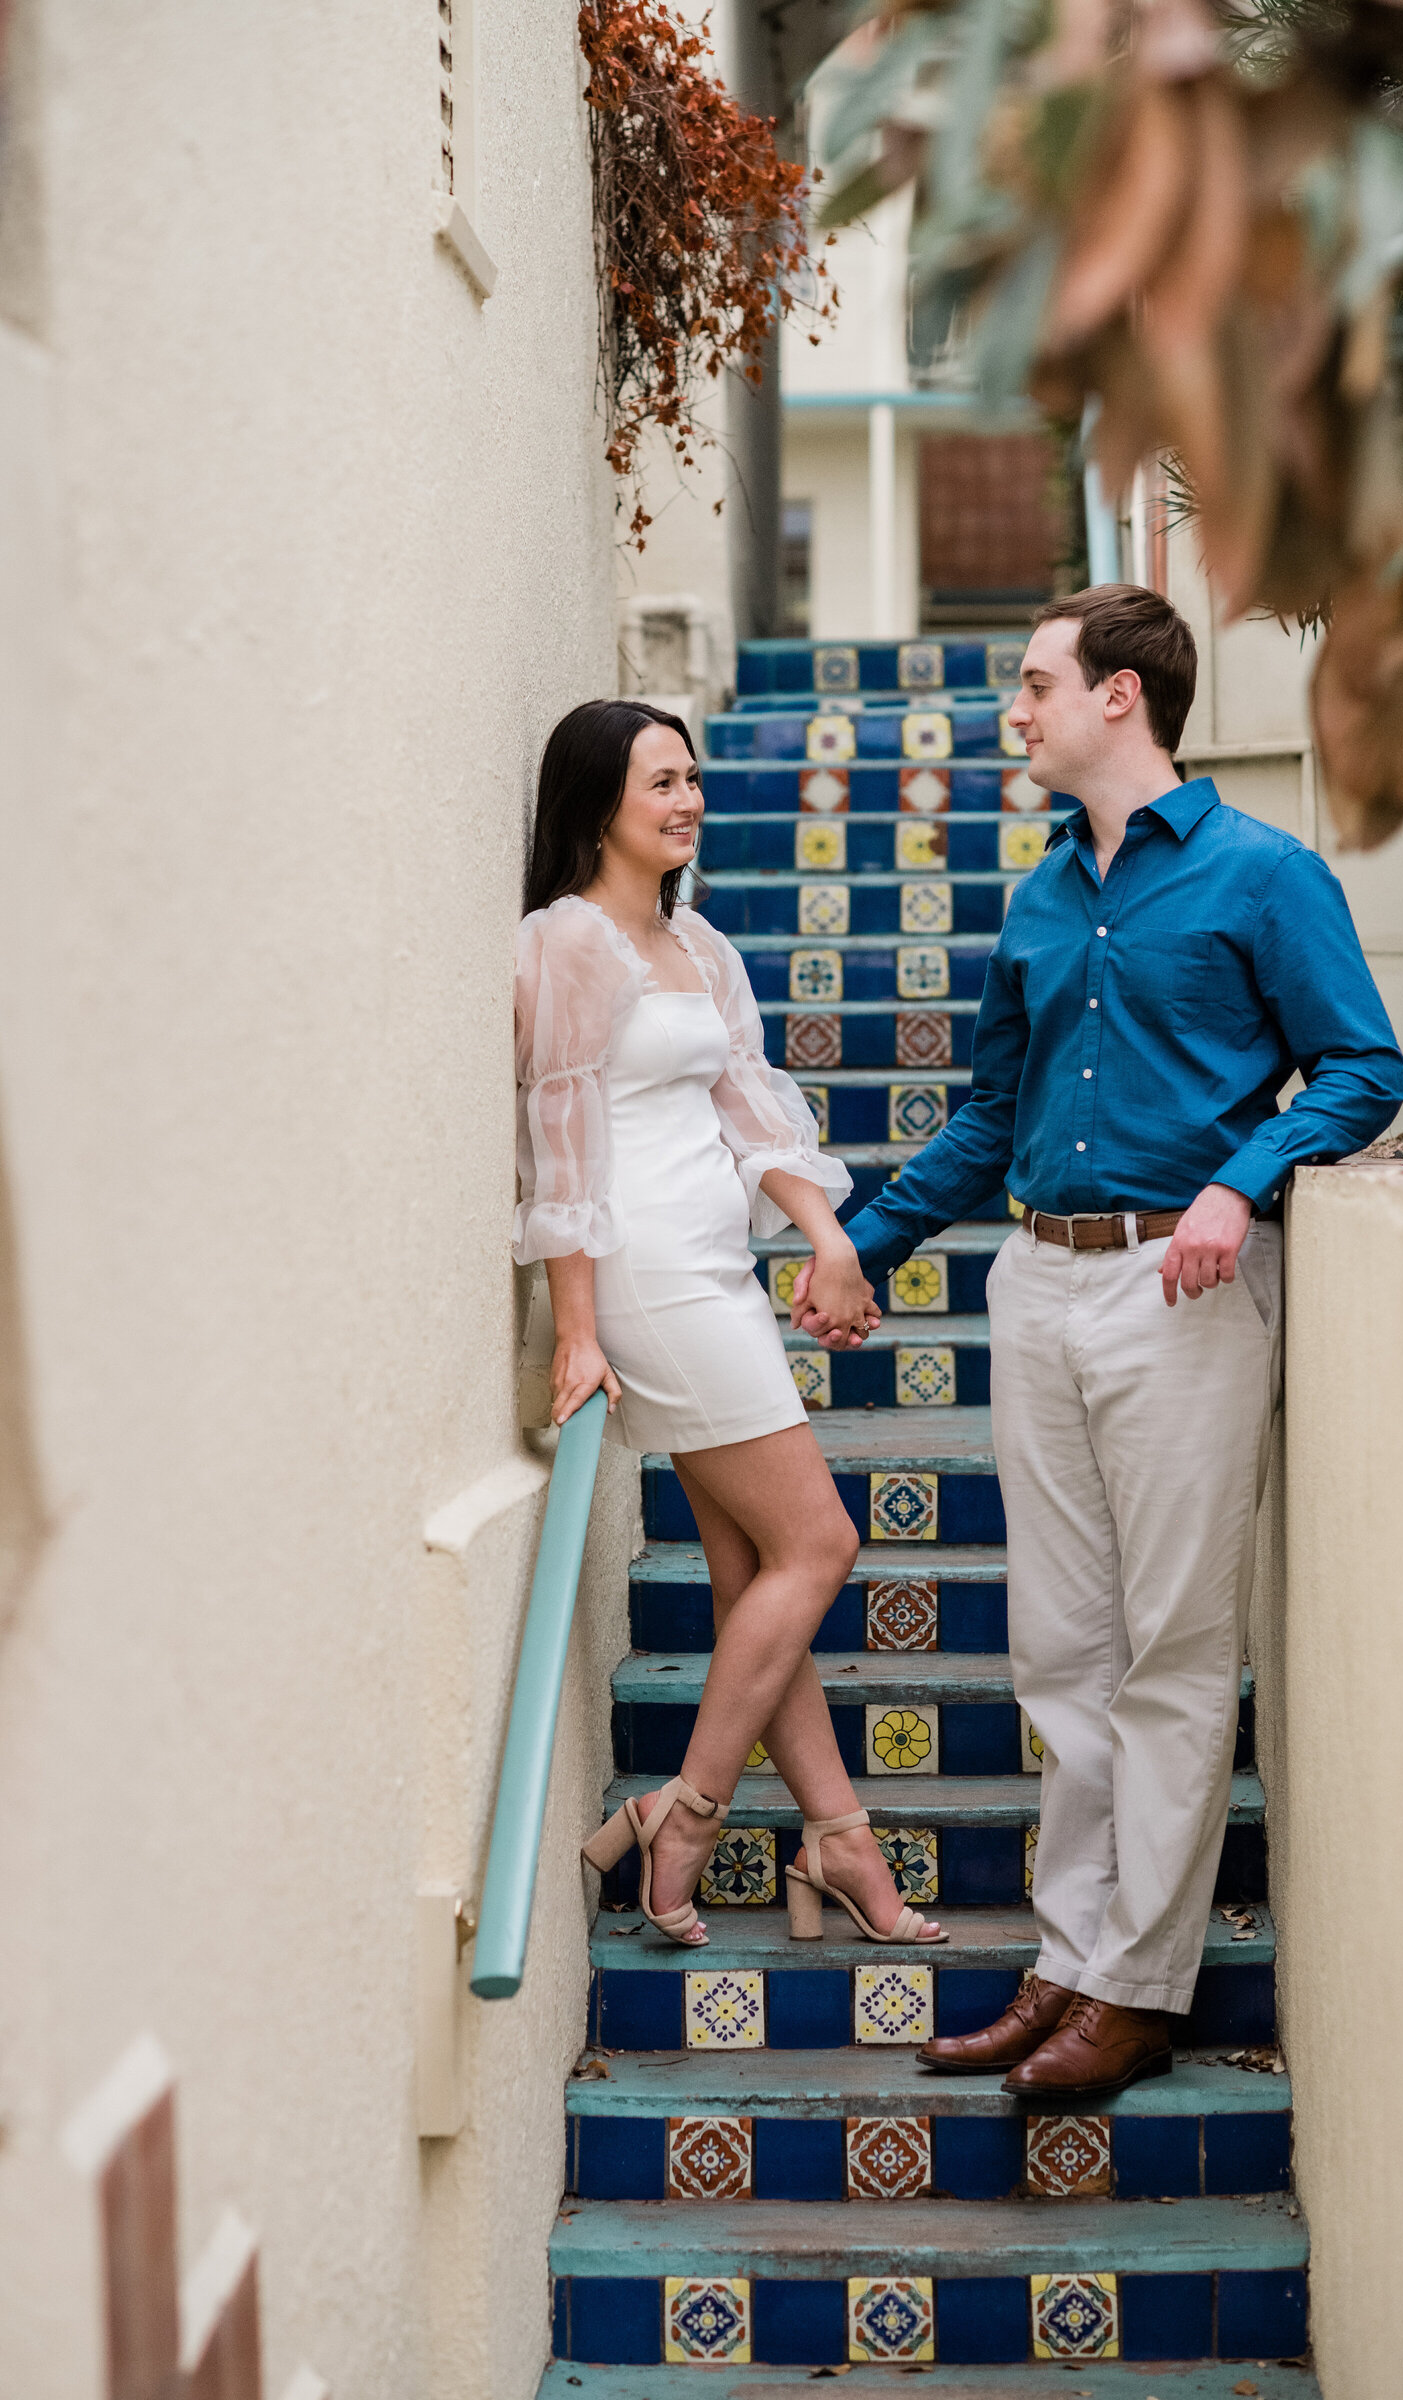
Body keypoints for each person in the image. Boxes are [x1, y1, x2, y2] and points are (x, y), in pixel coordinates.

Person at [793, 587, 1403, 2095]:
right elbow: (995, 1117)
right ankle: (1069, 1965)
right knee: (1063, 1648)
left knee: (1174, 1654)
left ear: (1123, 697)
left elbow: (1362, 1068)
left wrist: (1235, 1182)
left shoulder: (1265, 876)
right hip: (1041, 1283)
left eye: (1035, 683)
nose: (1016, 709)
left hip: (1179, 1289)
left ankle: (1140, 1985)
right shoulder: (1045, 893)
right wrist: (862, 1242)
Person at [514, 698, 944, 1949]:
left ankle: (839, 1839)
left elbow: (756, 1113)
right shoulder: (567, 943)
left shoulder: (696, 943)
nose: (688, 800)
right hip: (646, 1275)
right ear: (599, 801)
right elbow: (563, 1154)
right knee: (819, 1543)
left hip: (719, 1266)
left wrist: (824, 1235)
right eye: (661, 782)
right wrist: (576, 1328)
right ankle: (685, 1816)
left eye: (693, 779)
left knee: (755, 1574)